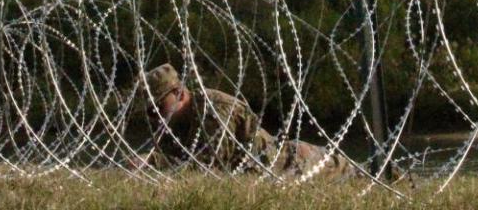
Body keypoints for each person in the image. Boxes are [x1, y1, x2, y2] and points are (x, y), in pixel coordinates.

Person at [139, 63, 355, 178]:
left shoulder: (214, 109)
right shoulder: (173, 123)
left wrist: (152, 161)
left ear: (179, 93)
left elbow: (206, 166)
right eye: (150, 111)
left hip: (289, 162)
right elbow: (175, 162)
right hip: (259, 169)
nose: (155, 115)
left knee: (355, 172)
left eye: (158, 106)